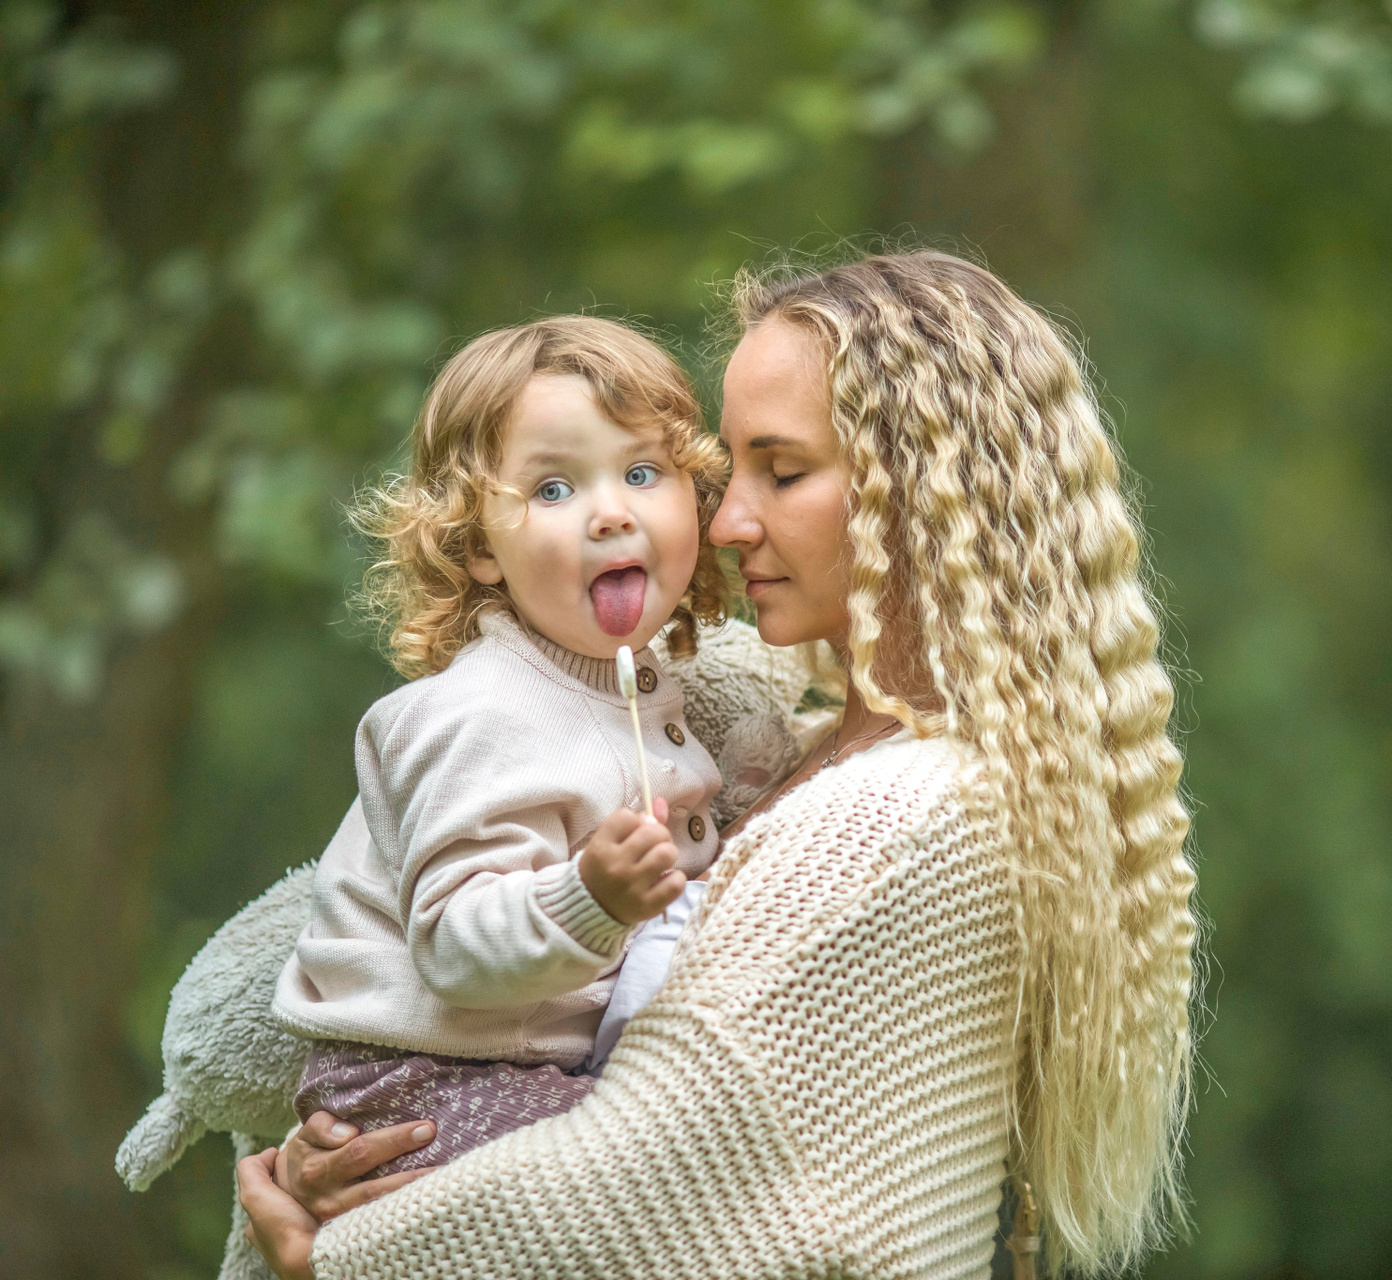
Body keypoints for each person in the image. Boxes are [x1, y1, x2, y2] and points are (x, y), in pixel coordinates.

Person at [237, 250, 1198, 1279]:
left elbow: (644, 1186)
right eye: (725, 472)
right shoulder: (779, 747)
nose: (726, 520)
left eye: (780, 471)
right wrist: (360, 1126)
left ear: (922, 494)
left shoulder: (897, 817)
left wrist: (331, 1252)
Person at [273, 315, 746, 1177]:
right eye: (553, 489)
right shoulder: (478, 712)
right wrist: (590, 896)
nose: (611, 513)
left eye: (642, 473)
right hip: (419, 1075)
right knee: (673, 1165)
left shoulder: (635, 686)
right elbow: (453, 945)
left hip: (515, 1062)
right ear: (477, 545)